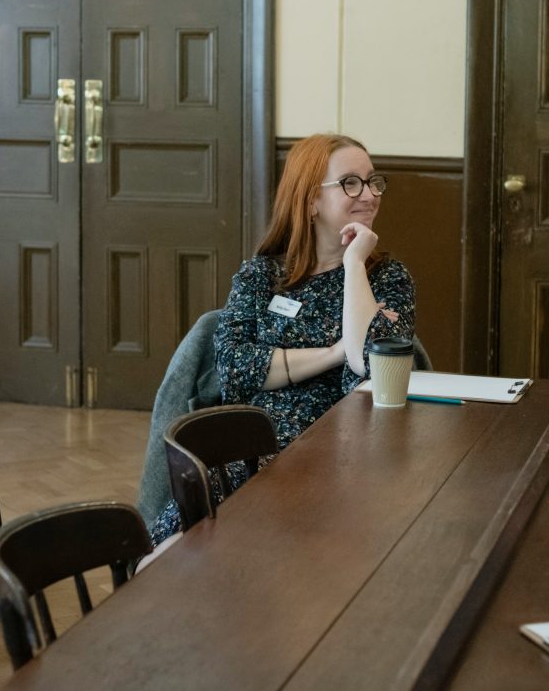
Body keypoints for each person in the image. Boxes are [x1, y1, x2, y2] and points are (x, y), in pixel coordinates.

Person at [150, 133, 415, 544]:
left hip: (338, 459)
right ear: (311, 200)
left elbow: (370, 367)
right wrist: (332, 352)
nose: (369, 194)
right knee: (170, 550)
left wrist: (354, 264)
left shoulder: (387, 278)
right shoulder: (262, 275)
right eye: (350, 183)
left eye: (373, 181)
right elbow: (237, 370)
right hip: (248, 451)